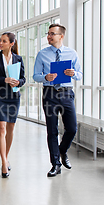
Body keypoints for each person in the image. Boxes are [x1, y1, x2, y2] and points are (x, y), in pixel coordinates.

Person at [33, 23, 82, 177]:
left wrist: (73, 73)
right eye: (48, 34)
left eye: (52, 34)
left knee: (72, 128)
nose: (49, 36)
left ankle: (62, 151)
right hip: (50, 94)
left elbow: (80, 75)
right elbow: (35, 76)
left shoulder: (72, 53)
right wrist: (45, 77)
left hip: (67, 93)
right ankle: (55, 164)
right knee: (52, 131)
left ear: (61, 36)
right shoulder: (42, 54)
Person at [0, 32, 25, 178]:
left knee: (10, 128)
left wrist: (18, 82)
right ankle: (3, 163)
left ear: (11, 44)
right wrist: (4, 80)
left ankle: (6, 158)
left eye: (4, 41)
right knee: (1, 128)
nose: (1, 43)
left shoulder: (18, 58)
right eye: (0, 41)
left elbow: (23, 78)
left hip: (14, 97)